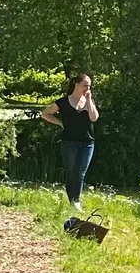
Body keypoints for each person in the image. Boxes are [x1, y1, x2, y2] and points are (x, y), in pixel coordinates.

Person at [37, 73, 100, 214]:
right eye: (85, 85)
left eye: (89, 85)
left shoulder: (88, 101)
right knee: (71, 171)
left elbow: (94, 118)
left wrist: (89, 100)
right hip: (69, 142)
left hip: (87, 143)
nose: (87, 88)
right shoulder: (63, 102)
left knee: (80, 172)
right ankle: (72, 199)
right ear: (76, 85)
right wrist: (60, 123)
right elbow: (45, 114)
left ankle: (76, 200)